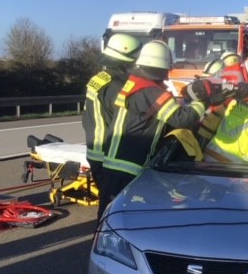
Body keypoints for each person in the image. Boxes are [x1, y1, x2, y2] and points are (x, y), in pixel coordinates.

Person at [101, 40, 213, 218]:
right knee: (126, 217)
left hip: (114, 162)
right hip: (129, 165)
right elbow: (180, 119)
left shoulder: (135, 83)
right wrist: (204, 102)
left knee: (110, 213)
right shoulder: (152, 91)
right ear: (162, 68)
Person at [82, 33, 142, 222]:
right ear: (126, 61)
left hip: (94, 150)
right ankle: (106, 239)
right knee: (112, 205)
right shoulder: (118, 86)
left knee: (107, 200)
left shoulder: (99, 78)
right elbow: (127, 119)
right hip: (107, 155)